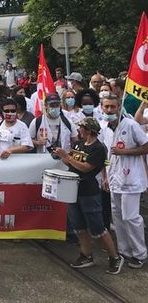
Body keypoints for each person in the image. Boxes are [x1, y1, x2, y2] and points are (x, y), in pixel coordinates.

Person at [52, 117, 124, 274]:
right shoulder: (79, 143)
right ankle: (86, 255)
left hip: (89, 191)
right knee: (78, 225)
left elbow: (86, 168)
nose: (79, 130)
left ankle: (115, 257)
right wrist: (63, 156)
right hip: (73, 189)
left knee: (98, 228)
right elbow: (70, 163)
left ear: (89, 130)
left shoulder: (98, 148)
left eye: (81, 128)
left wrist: (68, 156)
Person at [101, 95, 148, 268]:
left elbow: (146, 146)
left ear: (119, 107)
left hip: (132, 179)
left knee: (131, 217)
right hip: (114, 179)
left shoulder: (130, 124)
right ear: (102, 107)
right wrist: (105, 176)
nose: (110, 110)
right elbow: (106, 156)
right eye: (106, 107)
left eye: (113, 107)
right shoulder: (105, 128)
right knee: (118, 218)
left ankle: (140, 253)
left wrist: (126, 151)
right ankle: (124, 250)